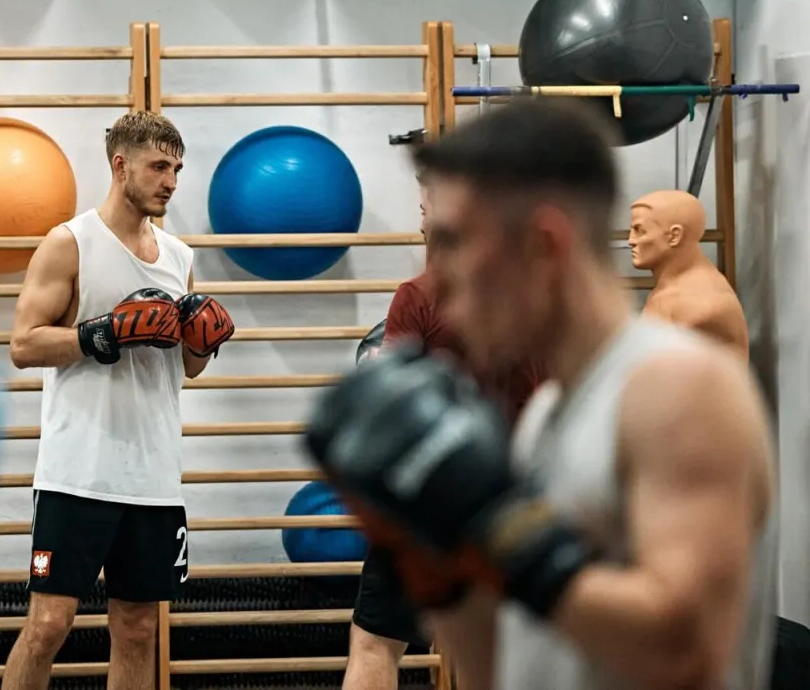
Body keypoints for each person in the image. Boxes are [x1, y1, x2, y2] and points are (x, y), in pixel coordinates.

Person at [305, 97, 778, 690]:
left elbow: (684, 653)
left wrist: (499, 532)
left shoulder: (677, 387)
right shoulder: (548, 414)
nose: (438, 278)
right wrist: (437, 567)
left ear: (542, 246)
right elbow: (506, 669)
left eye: (454, 242)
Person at [2, 110, 235, 690]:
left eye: (177, 169)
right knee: (49, 625)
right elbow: (24, 345)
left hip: (153, 477)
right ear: (120, 165)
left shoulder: (179, 257)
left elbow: (185, 368)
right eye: (159, 166)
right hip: (77, 473)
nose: (170, 181)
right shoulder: (70, 242)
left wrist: (203, 346)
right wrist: (97, 333)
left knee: (136, 631)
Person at [344, 173, 547, 690]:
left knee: (375, 644)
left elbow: (392, 407)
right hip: (514, 498)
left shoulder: (421, 295)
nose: (420, 215)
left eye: (426, 204)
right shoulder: (532, 296)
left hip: (433, 502)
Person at [629, 189, 749, 361]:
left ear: (674, 236)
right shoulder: (672, 287)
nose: (630, 240)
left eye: (639, 230)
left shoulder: (700, 305)